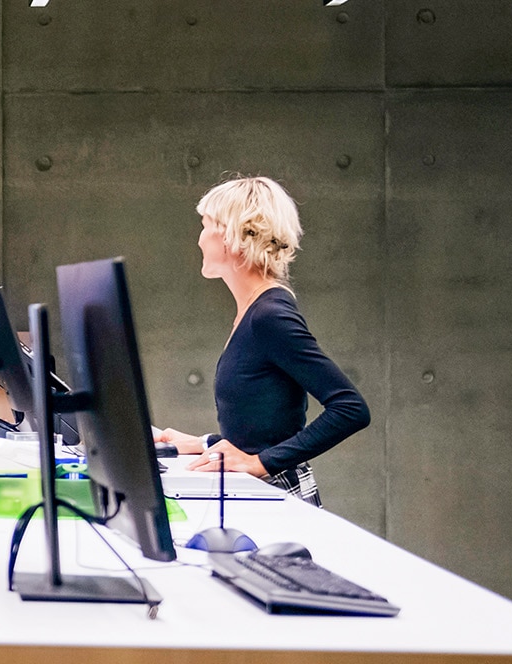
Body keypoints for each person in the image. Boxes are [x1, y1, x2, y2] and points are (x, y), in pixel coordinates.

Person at [156, 176, 369, 506]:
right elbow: (264, 430)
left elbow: (350, 408)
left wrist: (259, 464)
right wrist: (204, 444)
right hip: (262, 491)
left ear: (231, 236)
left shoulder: (269, 316)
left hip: (278, 492)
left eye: (205, 226)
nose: (199, 240)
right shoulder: (253, 312)